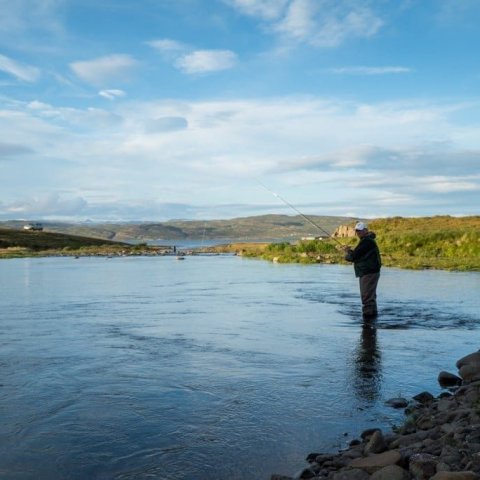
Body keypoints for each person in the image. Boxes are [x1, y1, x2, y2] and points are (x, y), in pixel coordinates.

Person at [344, 222, 381, 319]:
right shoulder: (367, 240)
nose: (358, 233)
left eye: (360, 231)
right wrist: (349, 251)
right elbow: (358, 254)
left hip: (368, 272)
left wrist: (347, 253)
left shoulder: (366, 241)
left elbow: (352, 257)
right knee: (370, 296)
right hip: (370, 271)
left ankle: (368, 319)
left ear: (366, 230)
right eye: (357, 231)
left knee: (366, 297)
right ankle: (372, 318)